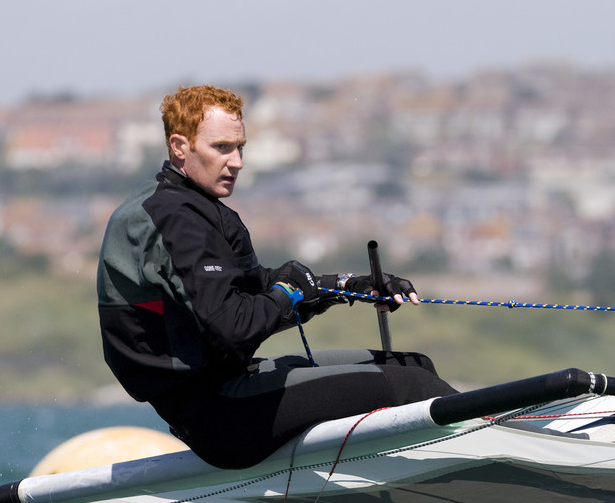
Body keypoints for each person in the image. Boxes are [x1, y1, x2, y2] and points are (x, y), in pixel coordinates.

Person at [97, 84, 455, 469]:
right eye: (221, 148)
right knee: (413, 388)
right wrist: (288, 292)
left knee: (412, 365)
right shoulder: (174, 218)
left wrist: (352, 285)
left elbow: (256, 290)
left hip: (234, 388)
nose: (236, 162)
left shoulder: (195, 206)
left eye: (240, 147)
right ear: (180, 146)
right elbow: (235, 324)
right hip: (221, 416)